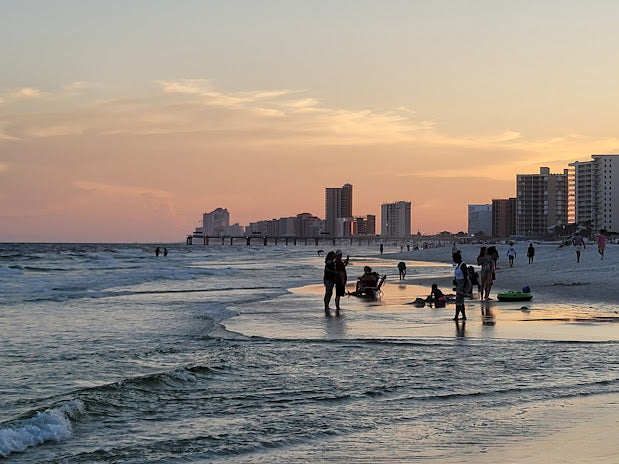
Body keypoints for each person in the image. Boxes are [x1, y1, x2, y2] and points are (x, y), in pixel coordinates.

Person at [452, 252, 469, 320]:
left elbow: (465, 276)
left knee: (458, 301)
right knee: (460, 301)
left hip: (462, 283)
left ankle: (456, 316)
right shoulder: (459, 265)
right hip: (459, 283)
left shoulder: (463, 265)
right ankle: (463, 316)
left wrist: (464, 287)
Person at [334, 249, 349, 313]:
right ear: (340, 255)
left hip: (338, 280)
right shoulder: (339, 262)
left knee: (338, 294)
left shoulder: (337, 261)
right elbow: (340, 272)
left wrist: (345, 264)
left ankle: (337, 306)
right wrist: (342, 280)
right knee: (338, 295)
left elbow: (341, 268)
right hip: (339, 280)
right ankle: (337, 307)